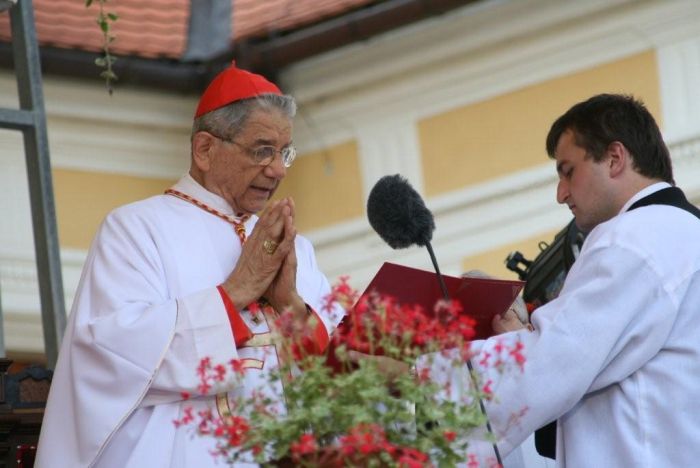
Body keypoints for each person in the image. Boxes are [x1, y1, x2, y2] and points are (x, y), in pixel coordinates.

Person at [35, 63, 344, 468]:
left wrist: (292, 307)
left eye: (285, 152)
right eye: (262, 151)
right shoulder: (137, 229)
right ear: (205, 149)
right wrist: (235, 293)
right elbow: (110, 353)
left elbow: (341, 372)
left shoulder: (295, 246)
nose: (279, 169)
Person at [424, 93, 700, 466]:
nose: (561, 194)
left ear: (615, 158)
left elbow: (551, 365)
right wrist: (524, 338)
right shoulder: (683, 234)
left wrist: (419, 378)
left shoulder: (636, 237)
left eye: (568, 171)